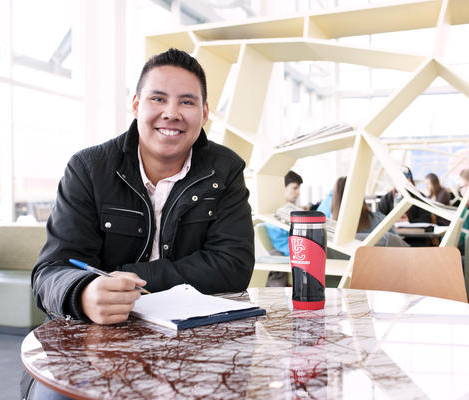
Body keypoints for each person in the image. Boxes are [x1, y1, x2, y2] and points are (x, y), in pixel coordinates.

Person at [22, 49, 254, 399]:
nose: (171, 113)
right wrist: (84, 292)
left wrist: (129, 276)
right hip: (91, 340)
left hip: (193, 343)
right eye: (157, 98)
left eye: (187, 102)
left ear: (204, 114)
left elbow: (233, 265)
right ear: (135, 105)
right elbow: (50, 272)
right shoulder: (88, 168)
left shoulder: (225, 170)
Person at [264, 170, 304, 286]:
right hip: (293, 251)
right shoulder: (274, 214)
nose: (298, 192)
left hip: (299, 249)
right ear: (283, 188)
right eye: (295, 188)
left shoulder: (290, 210)